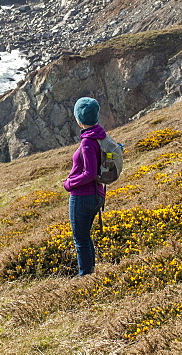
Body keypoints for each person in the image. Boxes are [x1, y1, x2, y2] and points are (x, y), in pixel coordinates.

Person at [62, 96, 107, 276]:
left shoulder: (88, 142)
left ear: (79, 119)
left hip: (83, 196)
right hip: (96, 194)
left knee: (80, 239)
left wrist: (69, 184)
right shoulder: (100, 135)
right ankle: (90, 272)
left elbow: (89, 172)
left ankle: (85, 276)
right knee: (85, 237)